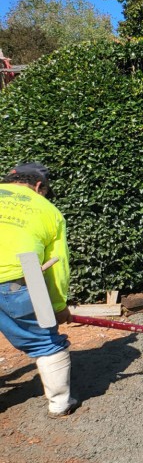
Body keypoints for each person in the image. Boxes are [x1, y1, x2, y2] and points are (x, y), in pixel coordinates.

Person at [0, 162, 78, 418]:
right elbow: (59, 267)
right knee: (46, 342)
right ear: (38, 186)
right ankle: (60, 404)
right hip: (24, 276)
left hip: (23, 274)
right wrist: (57, 307)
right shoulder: (48, 210)